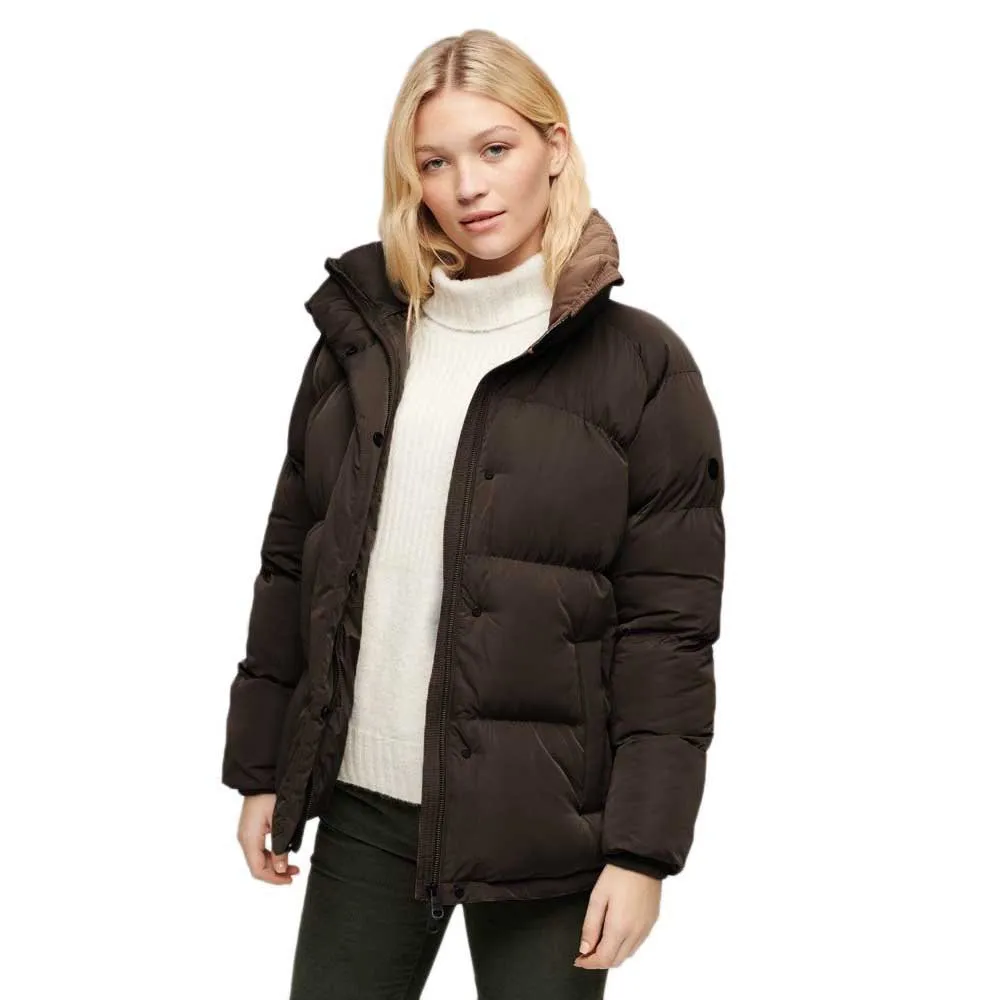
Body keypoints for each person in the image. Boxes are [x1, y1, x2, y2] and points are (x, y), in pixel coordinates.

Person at [222, 27, 726, 1000]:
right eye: (435, 162)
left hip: (550, 831)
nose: (468, 186)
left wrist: (642, 851)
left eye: (495, 148)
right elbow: (293, 564)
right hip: (367, 806)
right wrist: (263, 767)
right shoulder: (361, 343)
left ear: (554, 147)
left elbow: (668, 631)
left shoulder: (641, 367)